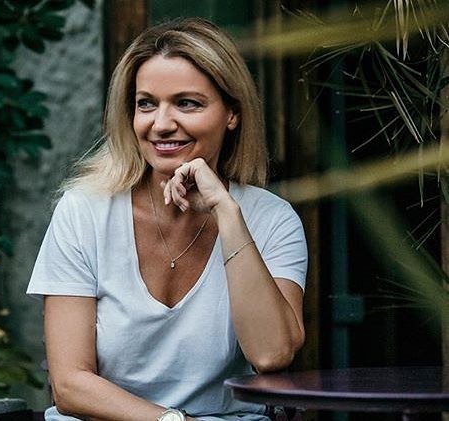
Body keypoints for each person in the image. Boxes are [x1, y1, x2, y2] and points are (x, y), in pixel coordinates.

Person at [26, 17, 307, 421]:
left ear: (232, 113)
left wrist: (228, 213)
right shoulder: (83, 210)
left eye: (187, 103)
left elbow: (271, 354)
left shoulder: (273, 220)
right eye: (146, 104)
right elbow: (70, 385)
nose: (161, 124)